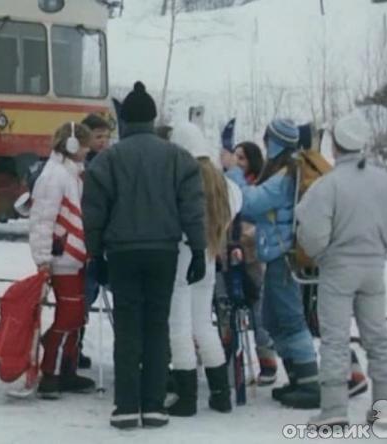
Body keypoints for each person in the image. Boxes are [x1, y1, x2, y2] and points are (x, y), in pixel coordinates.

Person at [82, 81, 206, 429]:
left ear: (125, 121)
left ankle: (125, 405)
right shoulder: (178, 158)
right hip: (163, 252)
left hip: (121, 254)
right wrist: (197, 249)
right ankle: (153, 406)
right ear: (152, 119)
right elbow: (193, 208)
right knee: (156, 326)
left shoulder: (107, 160)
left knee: (127, 328)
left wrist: (96, 256)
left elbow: (93, 212)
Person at [295, 111, 387, 428]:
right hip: (373, 268)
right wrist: (379, 248)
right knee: (378, 338)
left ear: (335, 146)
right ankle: (386, 412)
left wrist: (324, 254)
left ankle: (333, 410)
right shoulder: (385, 182)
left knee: (335, 339)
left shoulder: (328, 185)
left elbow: (310, 231)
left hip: (337, 270)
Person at [226, 118, 320, 409]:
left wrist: (235, 172)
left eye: (267, 140)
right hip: (278, 253)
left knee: (290, 319)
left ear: (274, 141)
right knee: (271, 319)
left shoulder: (286, 175)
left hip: (283, 256)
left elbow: (251, 202)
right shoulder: (287, 171)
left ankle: (309, 383)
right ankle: (297, 378)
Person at [166, 122, 242, 417]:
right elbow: (237, 205)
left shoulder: (179, 179)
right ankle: (221, 394)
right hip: (209, 258)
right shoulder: (225, 185)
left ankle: (186, 397)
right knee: (204, 325)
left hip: (181, 258)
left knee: (179, 327)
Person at [29, 121, 96, 399]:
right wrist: (43, 258)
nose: (88, 151)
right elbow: (42, 220)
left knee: (77, 315)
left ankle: (65, 368)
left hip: (74, 255)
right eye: (85, 145)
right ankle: (51, 372)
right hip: (63, 256)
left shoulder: (70, 174)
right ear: (72, 145)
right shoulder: (54, 176)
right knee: (69, 315)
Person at [233, 141, 278, 385]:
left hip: (253, 252)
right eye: (235, 157)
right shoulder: (230, 183)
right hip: (233, 249)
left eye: (242, 158)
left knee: (257, 307)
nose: (237, 163)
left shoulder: (259, 185)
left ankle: (267, 360)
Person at [78, 113, 112, 369]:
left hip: (109, 241)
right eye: (98, 137)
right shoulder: (81, 167)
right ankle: (75, 345)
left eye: (107, 137)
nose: (103, 142)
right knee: (83, 298)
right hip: (84, 242)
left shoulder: (112, 163)